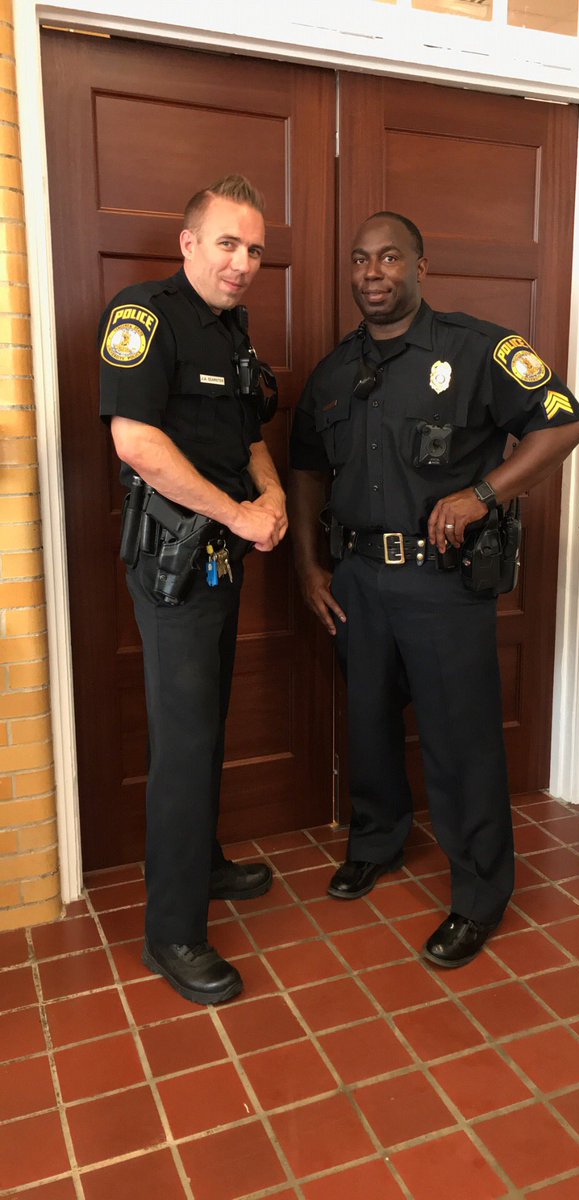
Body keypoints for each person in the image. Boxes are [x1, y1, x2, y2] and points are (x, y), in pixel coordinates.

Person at [288, 210, 579, 969]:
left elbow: (564, 424)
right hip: (358, 576)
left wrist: (484, 493)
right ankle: (377, 842)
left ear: (421, 264)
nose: (372, 274)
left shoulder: (478, 348)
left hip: (442, 582)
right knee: (369, 728)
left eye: (388, 258)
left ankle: (480, 895)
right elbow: (305, 470)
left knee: (461, 744)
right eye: (360, 261)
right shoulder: (332, 370)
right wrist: (307, 566)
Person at [99, 175, 287, 1005]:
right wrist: (236, 517)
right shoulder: (144, 315)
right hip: (174, 560)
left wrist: (271, 498)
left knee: (206, 723)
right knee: (181, 741)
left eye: (254, 250)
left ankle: (201, 863)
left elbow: (246, 438)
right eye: (227, 243)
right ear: (188, 242)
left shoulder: (232, 331)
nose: (242, 262)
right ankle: (171, 931)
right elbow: (136, 442)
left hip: (220, 555)